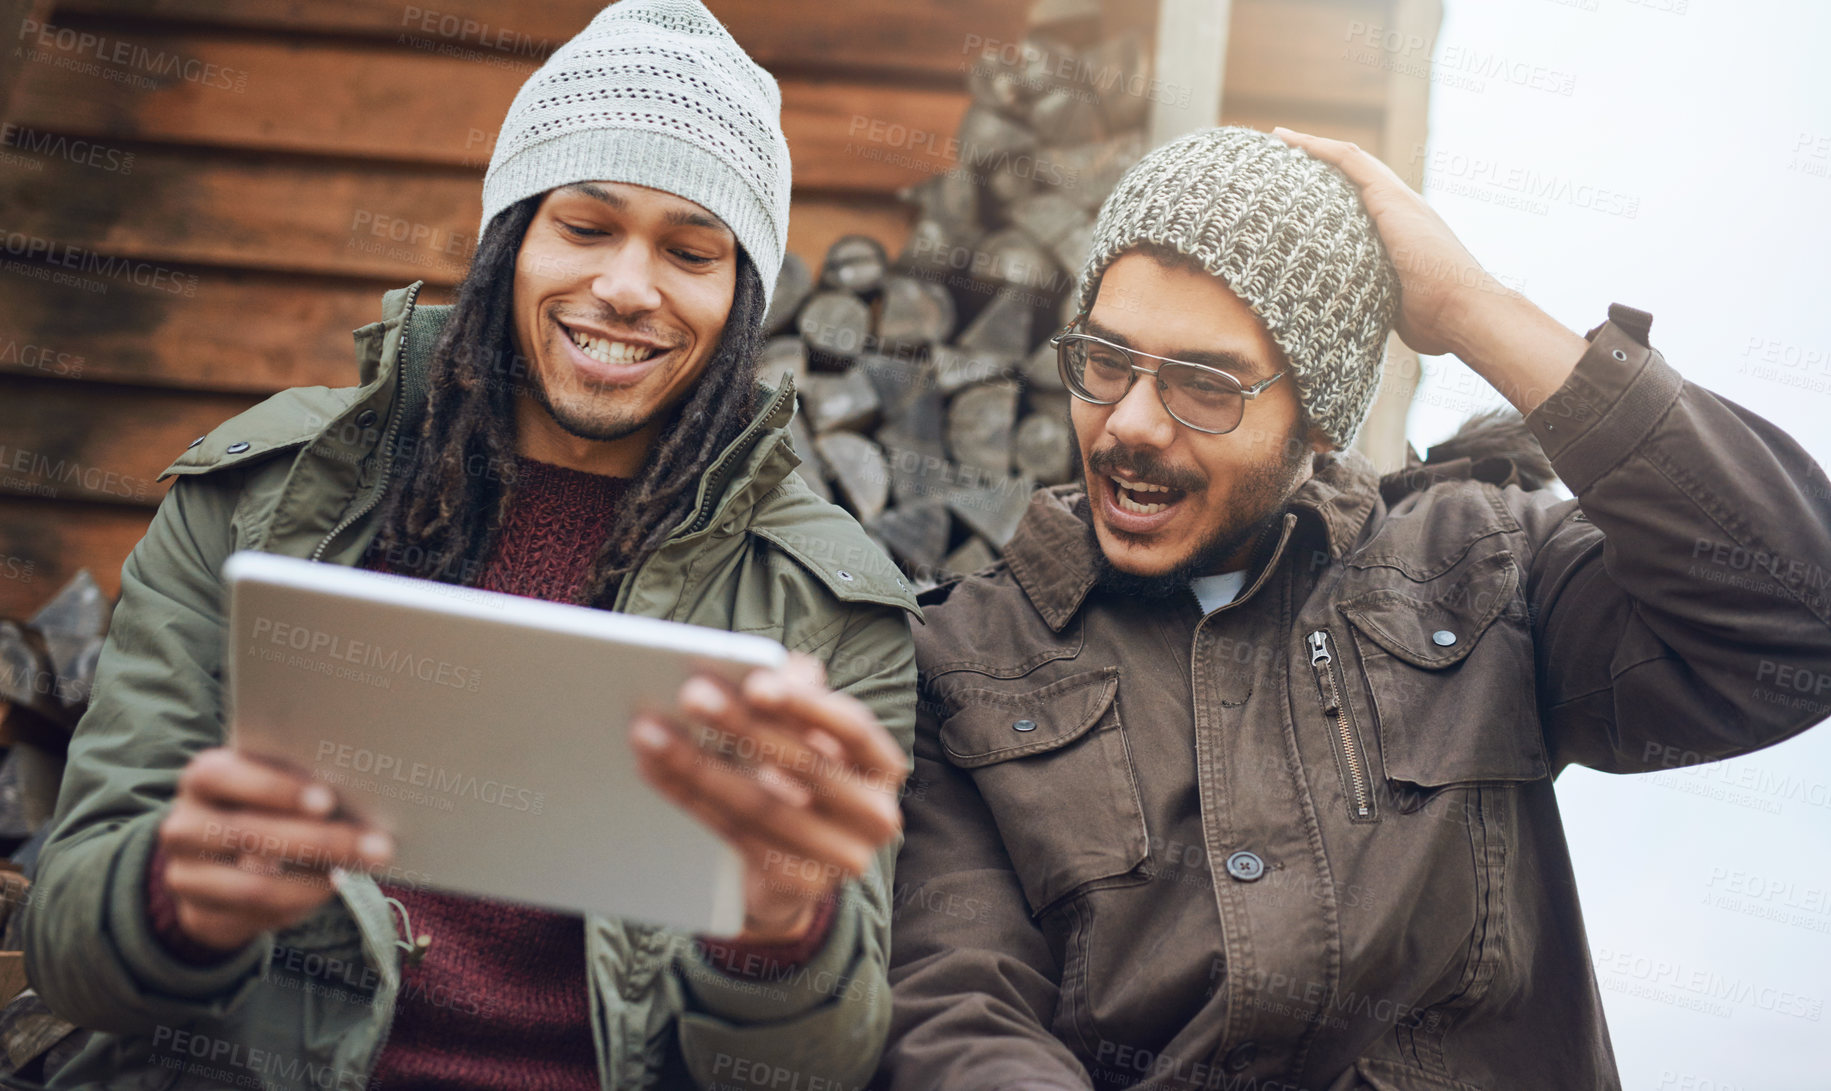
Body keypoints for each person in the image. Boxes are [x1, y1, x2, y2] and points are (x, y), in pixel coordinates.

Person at [21, 2, 917, 1088]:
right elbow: (75, 952)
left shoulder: (826, 607)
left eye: (691, 249)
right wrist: (176, 895)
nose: (627, 287)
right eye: (584, 226)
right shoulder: (263, 496)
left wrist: (777, 932)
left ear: (740, 301)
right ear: (510, 242)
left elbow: (813, 1068)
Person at [878, 125, 1831, 1090]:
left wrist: (1472, 308)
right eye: (1107, 358)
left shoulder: (1487, 569)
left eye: (1203, 385)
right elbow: (957, 1004)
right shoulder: (953, 659)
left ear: (1320, 413)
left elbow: (1796, 611)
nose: (1129, 421)